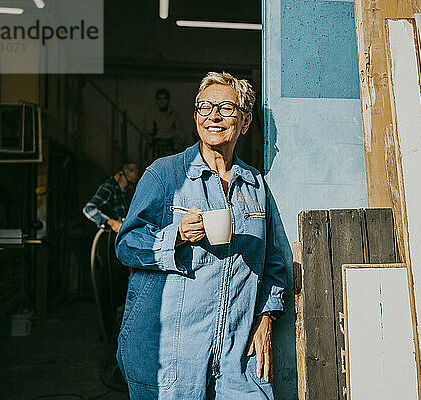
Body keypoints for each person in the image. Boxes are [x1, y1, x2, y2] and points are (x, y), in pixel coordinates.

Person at [115, 72, 286, 399]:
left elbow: (273, 261)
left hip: (238, 358)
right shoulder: (165, 175)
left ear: (245, 121)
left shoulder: (255, 185)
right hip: (174, 357)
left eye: (226, 107)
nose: (214, 116)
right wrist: (175, 235)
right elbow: (126, 244)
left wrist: (265, 317)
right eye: (205, 107)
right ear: (195, 117)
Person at [83, 163, 140, 233]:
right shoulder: (108, 189)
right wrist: (111, 223)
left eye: (132, 184)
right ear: (120, 175)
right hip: (107, 237)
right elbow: (88, 209)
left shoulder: (122, 190)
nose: (130, 187)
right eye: (129, 183)